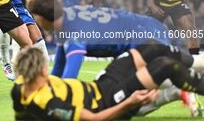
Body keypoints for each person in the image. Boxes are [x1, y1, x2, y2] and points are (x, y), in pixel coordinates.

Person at [26, 0, 204, 117]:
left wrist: (49, 102)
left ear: (40, 18)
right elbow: (59, 67)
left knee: (122, 102)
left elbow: (69, 81)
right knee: (185, 64)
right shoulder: (67, 16)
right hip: (149, 28)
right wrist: (46, 86)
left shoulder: (73, 34)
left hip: (145, 39)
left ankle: (180, 88)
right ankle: (183, 84)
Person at [12, 44, 204, 121]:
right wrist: (130, 102)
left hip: (100, 86)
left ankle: (199, 63)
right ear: (40, 71)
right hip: (108, 102)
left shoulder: (20, 87)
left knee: (151, 49)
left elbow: (20, 115)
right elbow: (95, 119)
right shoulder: (50, 105)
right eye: (45, 68)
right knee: (164, 66)